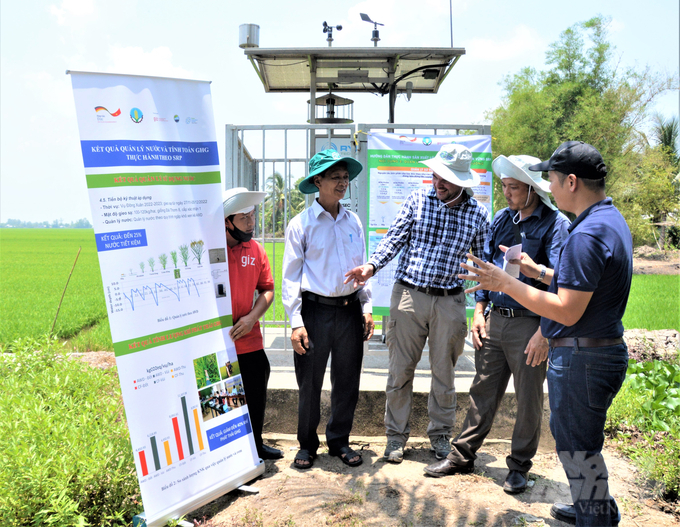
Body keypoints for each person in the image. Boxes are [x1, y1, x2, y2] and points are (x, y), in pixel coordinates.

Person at [459, 141, 631, 526]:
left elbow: (568, 308)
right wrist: (538, 273)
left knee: (577, 447)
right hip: (597, 350)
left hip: (584, 357)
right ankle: (595, 507)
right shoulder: (608, 220)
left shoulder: (585, 234)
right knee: (582, 444)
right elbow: (581, 286)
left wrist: (507, 283)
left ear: (571, 181)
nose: (547, 188)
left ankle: (595, 518)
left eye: (550, 180)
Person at [424, 155, 570, 494]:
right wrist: (479, 312)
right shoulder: (502, 219)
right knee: (482, 390)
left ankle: (519, 466)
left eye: (514, 187)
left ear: (532, 189)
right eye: (504, 186)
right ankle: (463, 454)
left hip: (531, 324)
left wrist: (544, 333)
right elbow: (485, 269)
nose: (506, 193)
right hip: (497, 320)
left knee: (528, 400)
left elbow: (561, 283)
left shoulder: (554, 225)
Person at [344, 143, 490, 463]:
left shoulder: (478, 216)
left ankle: (440, 436)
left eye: (447, 179)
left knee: (444, 374)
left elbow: (483, 266)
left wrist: (481, 307)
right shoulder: (416, 200)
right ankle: (395, 438)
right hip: (409, 295)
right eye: (436, 175)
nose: (438, 182)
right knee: (399, 371)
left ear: (462, 182)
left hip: (450, 301)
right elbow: (393, 239)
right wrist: (371, 267)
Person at [282, 150, 374, 470]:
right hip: (314, 312)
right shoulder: (301, 224)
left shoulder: (354, 222)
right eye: (335, 177)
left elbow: (361, 268)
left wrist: (367, 307)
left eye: (345, 177)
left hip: (349, 311)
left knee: (347, 379)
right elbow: (291, 277)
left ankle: (339, 440)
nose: (342, 183)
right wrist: (296, 322)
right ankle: (307, 444)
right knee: (310, 382)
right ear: (317, 181)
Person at [223, 187, 283, 461]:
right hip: (219, 342)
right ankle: (229, 453)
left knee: (257, 383)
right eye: (244, 217)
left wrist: (251, 318)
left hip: (249, 338)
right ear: (227, 221)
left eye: (253, 215)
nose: (251, 222)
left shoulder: (256, 249)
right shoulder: (208, 249)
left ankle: (255, 444)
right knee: (223, 398)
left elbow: (267, 289)